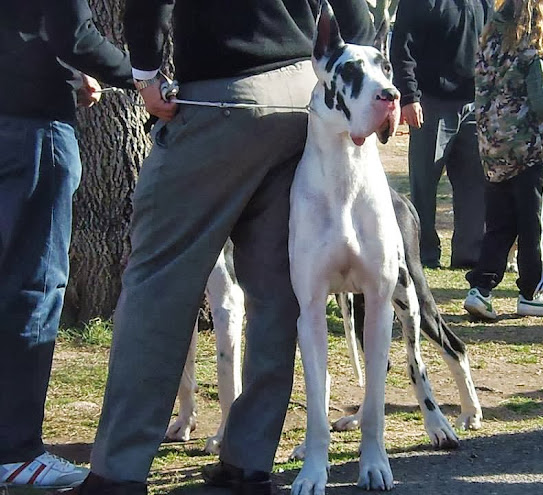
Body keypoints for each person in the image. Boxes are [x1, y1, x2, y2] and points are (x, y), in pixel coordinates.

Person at [71, 2, 375, 495]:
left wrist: (145, 75)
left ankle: (118, 474)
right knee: (277, 291)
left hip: (220, 97)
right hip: (299, 98)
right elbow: (355, 12)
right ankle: (249, 464)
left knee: (159, 283)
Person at [0, 0, 133, 489]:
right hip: (31, 130)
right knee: (31, 288)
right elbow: (72, 33)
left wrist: (64, 76)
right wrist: (139, 75)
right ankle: (14, 452)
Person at [462, 0, 543, 321]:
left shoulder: (490, 37)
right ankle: (535, 291)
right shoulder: (535, 41)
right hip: (531, 146)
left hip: (493, 145)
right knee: (533, 222)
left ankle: (480, 290)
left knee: (499, 225)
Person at [390, 0, 492, 269]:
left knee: (474, 184)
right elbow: (402, 46)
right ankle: (424, 254)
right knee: (424, 185)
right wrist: (409, 97)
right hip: (431, 103)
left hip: (474, 103)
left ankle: (469, 254)